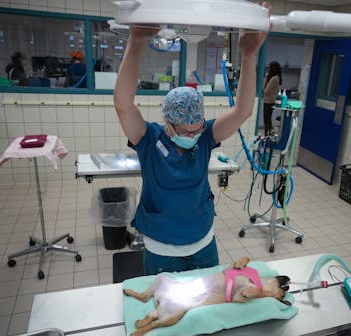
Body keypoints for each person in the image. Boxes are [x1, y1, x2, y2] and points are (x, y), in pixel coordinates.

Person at [114, 20, 269, 275]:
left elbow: (243, 111)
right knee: (166, 305)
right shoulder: (149, 139)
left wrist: (249, 55)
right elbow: (123, 105)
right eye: (185, 132)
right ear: (168, 123)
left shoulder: (206, 136)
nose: (193, 136)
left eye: (197, 129)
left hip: (203, 240)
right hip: (161, 246)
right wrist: (137, 41)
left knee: (207, 300)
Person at [262, 61, 282, 135]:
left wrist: (266, 79)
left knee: (267, 121)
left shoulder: (274, 79)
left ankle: (268, 136)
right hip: (270, 101)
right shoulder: (276, 78)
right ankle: (268, 136)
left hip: (269, 101)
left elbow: (265, 91)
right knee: (267, 120)